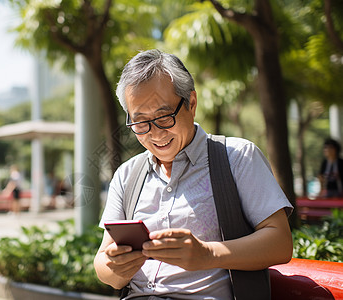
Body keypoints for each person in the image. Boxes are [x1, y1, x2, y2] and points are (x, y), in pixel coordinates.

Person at [94, 49, 293, 299]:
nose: (155, 134)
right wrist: (116, 267)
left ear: (192, 104)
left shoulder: (238, 157)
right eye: (141, 122)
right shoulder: (127, 175)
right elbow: (103, 267)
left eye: (164, 117)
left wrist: (207, 255)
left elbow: (280, 243)